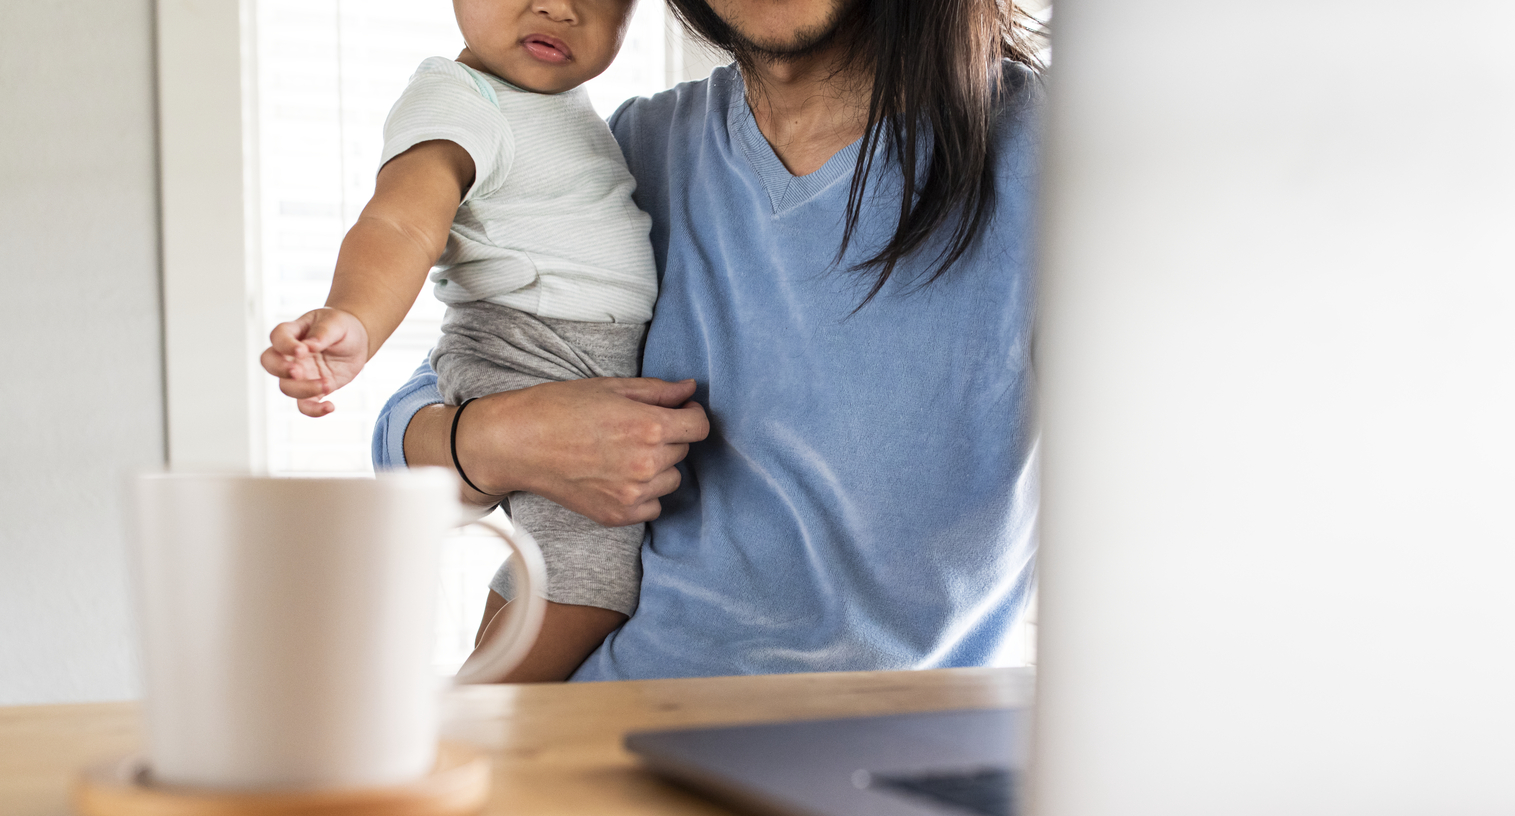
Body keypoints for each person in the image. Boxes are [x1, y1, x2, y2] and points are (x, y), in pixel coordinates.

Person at [371, 0, 1045, 682]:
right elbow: (407, 441)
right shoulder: (628, 149)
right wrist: (503, 440)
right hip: (565, 726)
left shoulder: (1058, 156)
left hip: (854, 758)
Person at [260, 0, 659, 670]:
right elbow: (402, 224)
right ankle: (485, 721)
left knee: (551, 560)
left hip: (567, 353)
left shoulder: (555, 103)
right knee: (592, 574)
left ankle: (474, 690)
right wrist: (354, 316)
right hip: (529, 349)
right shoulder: (460, 101)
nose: (558, 6)